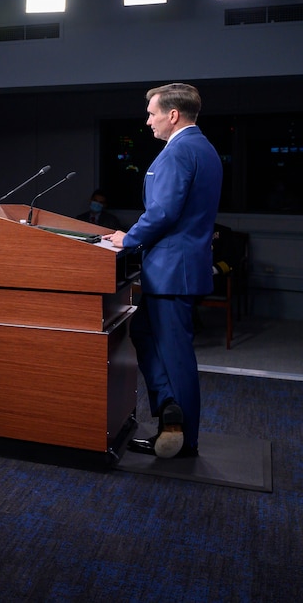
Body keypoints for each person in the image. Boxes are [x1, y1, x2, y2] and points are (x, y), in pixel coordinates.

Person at [108, 83, 222, 460]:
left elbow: (163, 213)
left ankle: (183, 437)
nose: (148, 121)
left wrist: (128, 239)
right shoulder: (204, 148)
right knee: (143, 331)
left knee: (175, 354)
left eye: (152, 113)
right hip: (183, 267)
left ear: (173, 115)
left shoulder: (179, 151)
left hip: (174, 269)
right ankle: (169, 409)